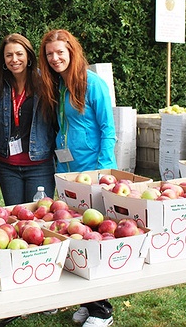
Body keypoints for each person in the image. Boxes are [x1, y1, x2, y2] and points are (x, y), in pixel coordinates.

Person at [38, 29, 117, 327]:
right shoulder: (58, 85)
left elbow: (108, 129)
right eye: (49, 54)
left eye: (60, 52)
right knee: (74, 235)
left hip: (92, 173)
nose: (55, 58)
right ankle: (89, 301)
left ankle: (103, 309)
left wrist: (103, 172)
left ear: (72, 51)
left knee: (95, 238)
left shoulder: (91, 84)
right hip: (68, 173)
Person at [0, 33, 56, 205]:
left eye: (19, 54)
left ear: (28, 56)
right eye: (9, 55)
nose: (14, 59)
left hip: (40, 165)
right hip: (8, 166)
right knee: (14, 221)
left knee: (39, 220)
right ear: (3, 59)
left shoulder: (45, 83)